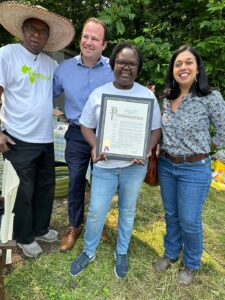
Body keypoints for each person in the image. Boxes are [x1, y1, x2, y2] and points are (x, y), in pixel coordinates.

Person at [69, 41, 162, 279]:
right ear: (113, 64)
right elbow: (86, 126)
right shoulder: (99, 94)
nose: (126, 67)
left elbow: (155, 130)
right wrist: (94, 145)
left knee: (127, 211)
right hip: (105, 166)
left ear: (138, 68)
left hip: (133, 167)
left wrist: (147, 149)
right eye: (121, 62)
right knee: (97, 211)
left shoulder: (147, 96)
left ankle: (122, 252)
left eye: (132, 64)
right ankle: (88, 252)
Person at [0, 1, 75, 257]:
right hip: (16, 137)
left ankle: (41, 228)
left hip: (45, 137)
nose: (36, 34)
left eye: (42, 32)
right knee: (23, 189)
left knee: (46, 186)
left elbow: (72, 81)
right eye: (32, 28)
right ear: (22, 30)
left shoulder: (50, 64)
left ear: (47, 38)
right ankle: (23, 236)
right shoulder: (7, 54)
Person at [153, 45, 225, 285]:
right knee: (172, 215)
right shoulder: (167, 97)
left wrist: (214, 157)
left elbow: (224, 132)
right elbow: (162, 132)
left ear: (197, 68)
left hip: (195, 168)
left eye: (188, 62)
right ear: (172, 70)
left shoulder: (211, 97)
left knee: (189, 218)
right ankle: (171, 253)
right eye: (178, 64)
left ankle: (192, 262)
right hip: (167, 165)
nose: (183, 67)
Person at [53, 17, 114, 252]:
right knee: (76, 180)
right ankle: (75, 225)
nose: (88, 42)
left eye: (94, 38)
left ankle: (98, 224)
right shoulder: (64, 69)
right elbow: (47, 94)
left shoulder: (114, 68)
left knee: (103, 181)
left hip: (106, 133)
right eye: (85, 37)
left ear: (104, 44)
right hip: (77, 133)